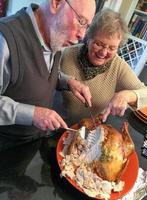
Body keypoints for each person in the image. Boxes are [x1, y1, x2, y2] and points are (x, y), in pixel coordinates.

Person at [0, 0, 96, 150]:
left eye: (87, 27)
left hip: (34, 141)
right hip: (7, 148)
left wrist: (69, 82)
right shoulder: (4, 38)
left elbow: (42, 71)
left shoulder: (54, 33)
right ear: (56, 3)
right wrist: (33, 114)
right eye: (81, 21)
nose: (82, 36)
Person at [58, 8, 147, 125]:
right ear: (88, 38)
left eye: (112, 48)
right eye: (98, 44)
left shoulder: (118, 67)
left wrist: (126, 95)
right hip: (54, 128)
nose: (103, 53)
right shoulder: (66, 53)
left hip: (89, 134)